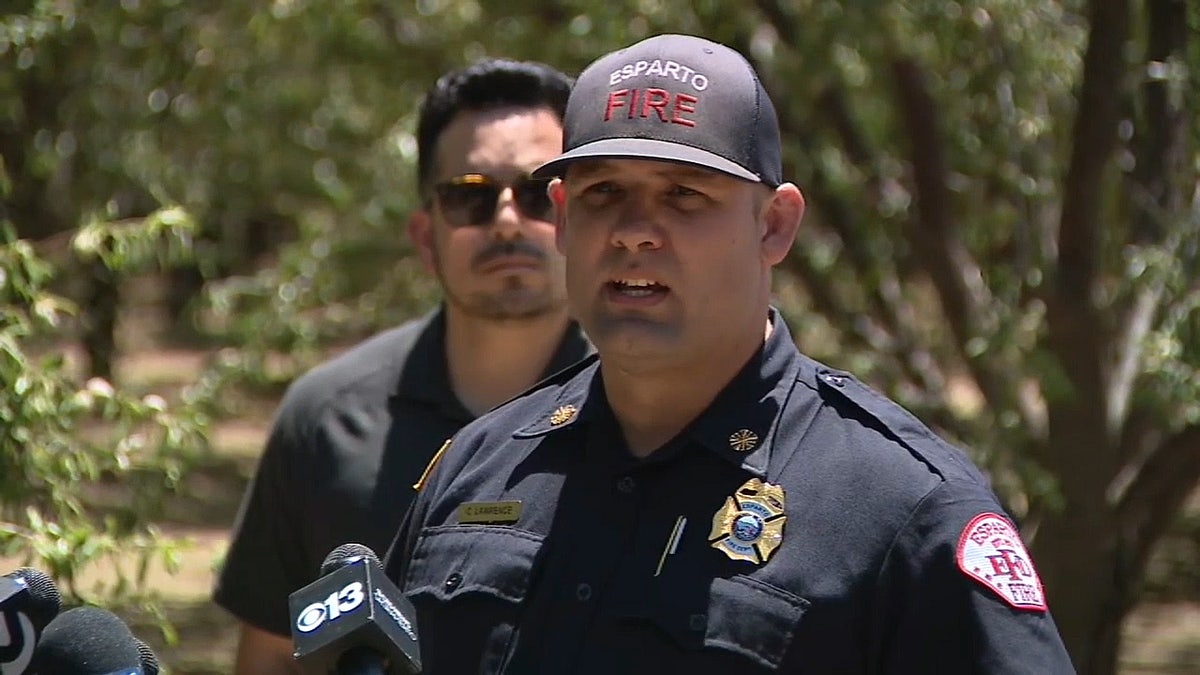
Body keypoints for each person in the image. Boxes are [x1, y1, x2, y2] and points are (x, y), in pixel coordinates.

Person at [383, 33, 1076, 673]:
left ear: (774, 225)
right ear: (563, 219)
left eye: (683, 194)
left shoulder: (904, 511)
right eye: (604, 192)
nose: (632, 231)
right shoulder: (480, 466)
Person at [212, 58, 590, 674]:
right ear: (424, 238)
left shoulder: (648, 411)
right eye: (470, 196)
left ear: (576, 221)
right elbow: (272, 657)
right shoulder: (325, 420)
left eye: (536, 194)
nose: (505, 220)